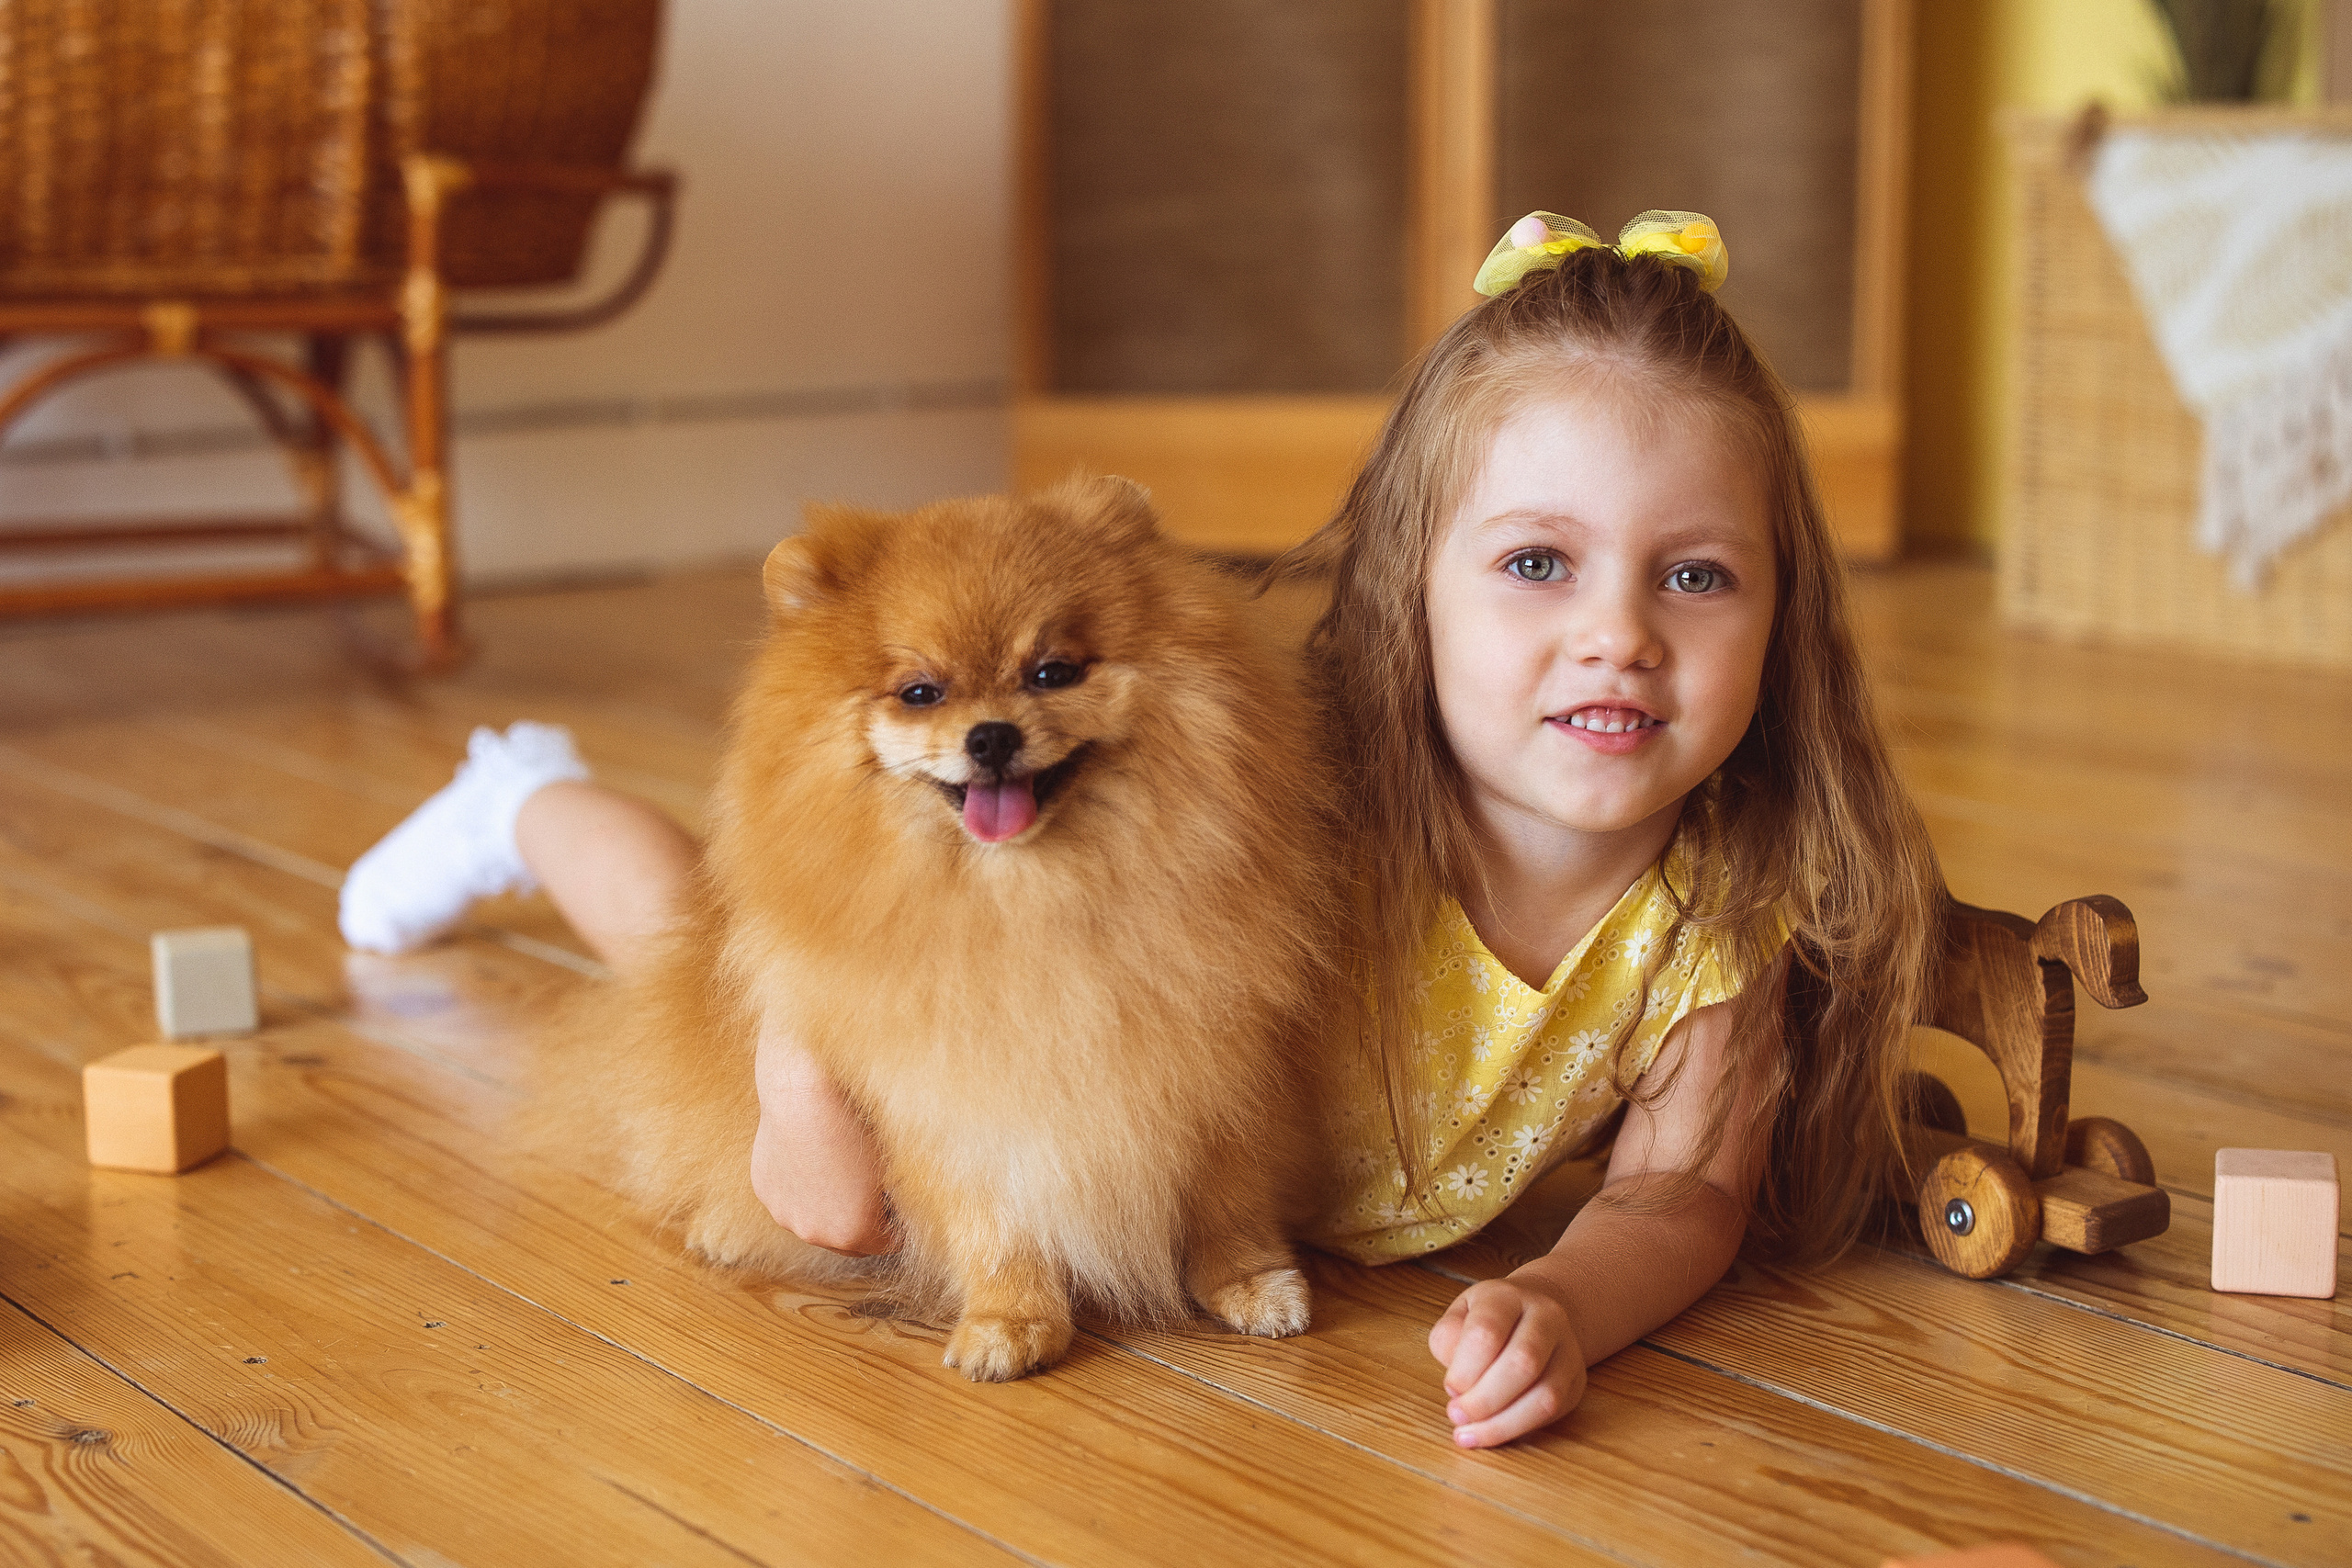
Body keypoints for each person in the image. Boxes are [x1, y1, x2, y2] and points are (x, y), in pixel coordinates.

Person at [337, 209, 1942, 1450]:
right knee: (714, 995)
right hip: (854, 998)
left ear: (1788, 618)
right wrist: (800, 1034)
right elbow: (926, 990)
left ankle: (544, 809)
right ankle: (525, 796)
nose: (1619, 634)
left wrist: (1563, 1298)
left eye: (1696, 574)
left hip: (1213, 1193)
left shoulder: (1721, 915)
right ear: (1408, 589)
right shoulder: (1334, 796)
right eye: (1540, 564)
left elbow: (1684, 1197)